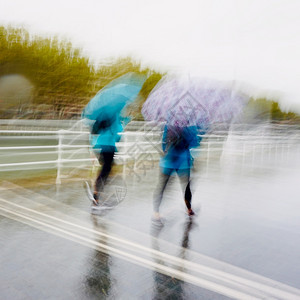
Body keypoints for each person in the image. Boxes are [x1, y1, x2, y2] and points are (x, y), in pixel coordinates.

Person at [152, 124, 201, 222]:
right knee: (186, 187)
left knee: (162, 186)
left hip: (168, 161)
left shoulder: (169, 124)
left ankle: (156, 213)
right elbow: (194, 143)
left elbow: (163, 143)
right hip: (183, 162)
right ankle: (189, 209)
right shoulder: (190, 126)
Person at [85, 111, 124, 208]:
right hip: (109, 147)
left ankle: (98, 193)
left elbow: (94, 132)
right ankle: (97, 195)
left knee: (106, 170)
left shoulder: (102, 118)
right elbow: (118, 136)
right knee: (106, 171)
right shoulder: (114, 117)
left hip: (100, 147)